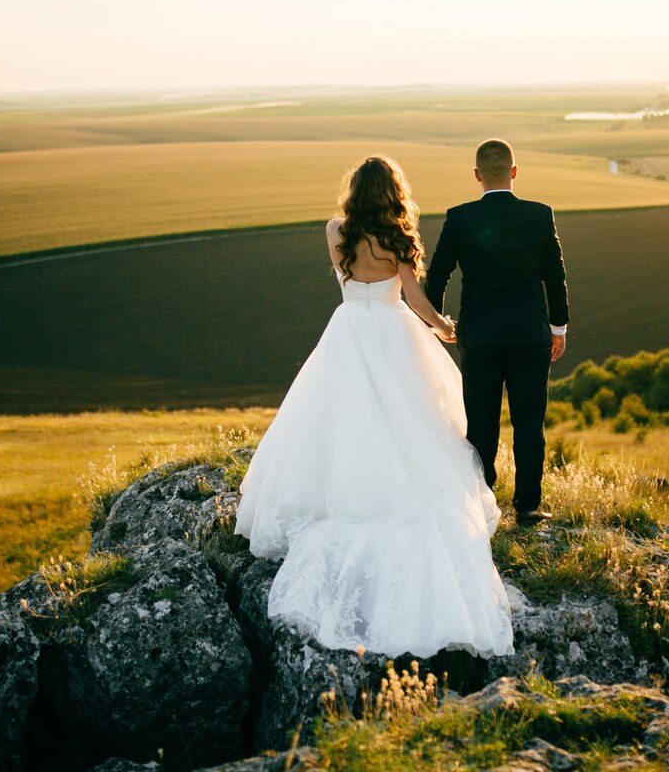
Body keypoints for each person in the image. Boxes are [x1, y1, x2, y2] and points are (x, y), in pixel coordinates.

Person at [234, 155, 514, 659]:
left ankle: (340, 492)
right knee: (412, 422)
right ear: (392, 192)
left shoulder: (334, 231)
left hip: (347, 331)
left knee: (338, 419)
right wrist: (444, 329)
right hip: (391, 330)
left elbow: (347, 282)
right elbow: (414, 298)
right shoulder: (397, 237)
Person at [426, 139, 569, 525]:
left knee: (481, 422)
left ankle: (481, 503)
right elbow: (554, 277)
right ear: (514, 171)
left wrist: (437, 325)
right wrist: (558, 327)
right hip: (529, 335)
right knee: (528, 421)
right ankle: (527, 506)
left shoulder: (459, 218)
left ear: (477, 175)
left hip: (479, 337)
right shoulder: (540, 215)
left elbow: (437, 275)